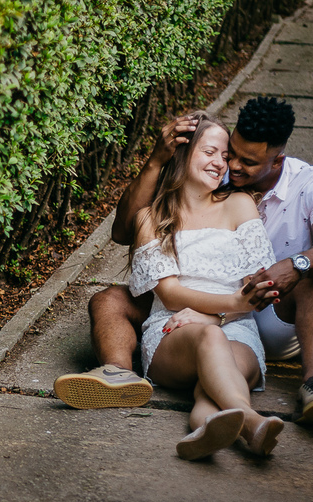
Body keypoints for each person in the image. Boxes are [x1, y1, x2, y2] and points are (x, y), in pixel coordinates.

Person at [54, 97, 313, 425]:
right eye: (230, 153)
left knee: (312, 276)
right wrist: (158, 159)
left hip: (262, 309)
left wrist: (291, 266)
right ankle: (121, 375)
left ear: (276, 160)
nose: (233, 167)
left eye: (244, 161)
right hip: (184, 316)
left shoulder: (306, 185)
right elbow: (124, 230)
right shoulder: (212, 180)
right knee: (108, 299)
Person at [121, 110, 284, 459]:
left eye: (225, 157)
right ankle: (253, 423)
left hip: (237, 329)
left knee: (212, 385)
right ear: (183, 153)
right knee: (210, 342)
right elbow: (170, 293)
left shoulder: (239, 204)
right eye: (210, 152)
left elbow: (259, 286)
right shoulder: (150, 217)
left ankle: (204, 431)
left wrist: (217, 316)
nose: (221, 163)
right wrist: (231, 307)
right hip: (172, 330)